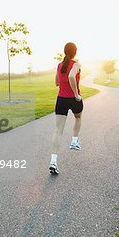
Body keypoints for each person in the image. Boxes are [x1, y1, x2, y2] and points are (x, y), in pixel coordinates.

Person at [49, 42, 83, 175]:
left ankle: (53, 161)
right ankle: (74, 141)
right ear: (75, 52)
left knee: (58, 130)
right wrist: (75, 94)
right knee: (78, 117)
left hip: (61, 100)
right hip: (73, 99)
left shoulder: (59, 65)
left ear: (64, 52)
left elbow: (57, 83)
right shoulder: (76, 64)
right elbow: (71, 76)